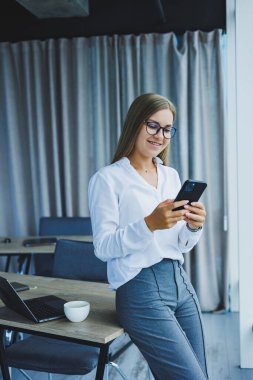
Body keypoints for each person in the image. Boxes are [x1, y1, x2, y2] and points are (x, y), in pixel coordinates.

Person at [88, 93, 208, 380]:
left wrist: (193, 227)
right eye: (152, 125)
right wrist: (149, 225)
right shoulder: (107, 179)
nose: (160, 135)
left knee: (201, 375)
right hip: (139, 289)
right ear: (135, 124)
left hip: (180, 282)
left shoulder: (171, 176)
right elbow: (102, 247)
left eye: (167, 129)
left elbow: (180, 243)